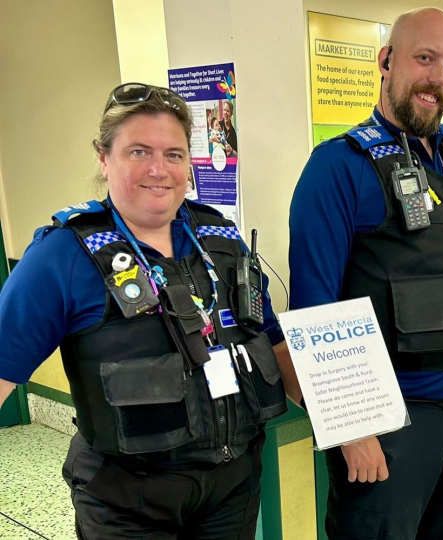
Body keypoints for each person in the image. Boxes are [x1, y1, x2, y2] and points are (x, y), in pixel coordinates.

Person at [0, 83, 291, 539]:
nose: (159, 169)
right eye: (139, 151)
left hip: (232, 489)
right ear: (104, 157)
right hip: (127, 502)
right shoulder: (62, 255)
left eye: (174, 154)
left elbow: (273, 341)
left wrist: (350, 425)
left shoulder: (221, 240)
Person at [287, 7, 443, 540]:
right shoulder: (337, 167)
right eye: (425, 58)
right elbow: (315, 310)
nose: (438, 78)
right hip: (387, 421)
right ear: (386, 60)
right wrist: (350, 429)